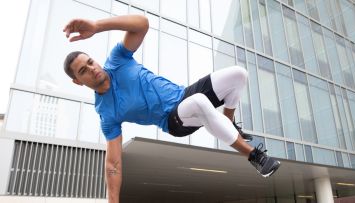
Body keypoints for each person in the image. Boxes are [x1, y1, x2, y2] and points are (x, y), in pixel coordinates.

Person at [63, 14, 280, 203]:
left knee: (238, 74)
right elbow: (113, 163)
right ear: (78, 81)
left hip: (184, 94)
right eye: (83, 70)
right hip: (174, 120)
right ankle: (255, 157)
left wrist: (97, 26)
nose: (92, 69)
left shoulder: (117, 60)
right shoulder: (106, 112)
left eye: (91, 62)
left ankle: (229, 122)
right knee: (199, 102)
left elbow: (141, 24)